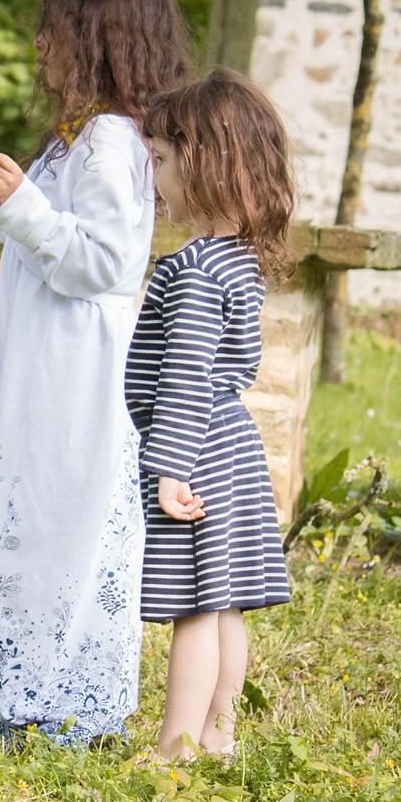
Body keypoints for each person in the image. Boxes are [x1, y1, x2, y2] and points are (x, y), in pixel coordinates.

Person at [0, 0, 194, 746]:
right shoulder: (76, 137)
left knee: (63, 533)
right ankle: (25, 692)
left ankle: (64, 705)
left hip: (79, 378)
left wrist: (27, 204)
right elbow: (17, 218)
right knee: (31, 530)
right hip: (43, 374)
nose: (42, 45)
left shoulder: (111, 140)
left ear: (98, 37)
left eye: (55, 30)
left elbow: (104, 263)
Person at [127, 67, 295, 761]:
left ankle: (176, 744)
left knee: (193, 606)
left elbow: (187, 375)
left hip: (193, 451)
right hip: (230, 446)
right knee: (222, 601)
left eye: (161, 159)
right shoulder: (236, 261)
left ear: (205, 164)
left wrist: (167, 467)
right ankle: (219, 736)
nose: (153, 176)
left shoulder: (193, 269)